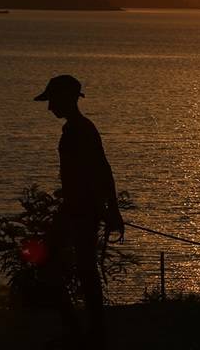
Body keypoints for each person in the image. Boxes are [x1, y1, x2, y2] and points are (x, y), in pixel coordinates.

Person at [34, 75, 124, 339]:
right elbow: (102, 171)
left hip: (81, 209)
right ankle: (84, 330)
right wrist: (111, 210)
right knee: (78, 267)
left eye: (53, 101)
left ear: (66, 100)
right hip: (75, 208)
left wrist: (111, 209)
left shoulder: (81, 130)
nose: (50, 107)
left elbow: (102, 171)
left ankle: (86, 331)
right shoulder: (77, 129)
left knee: (77, 267)